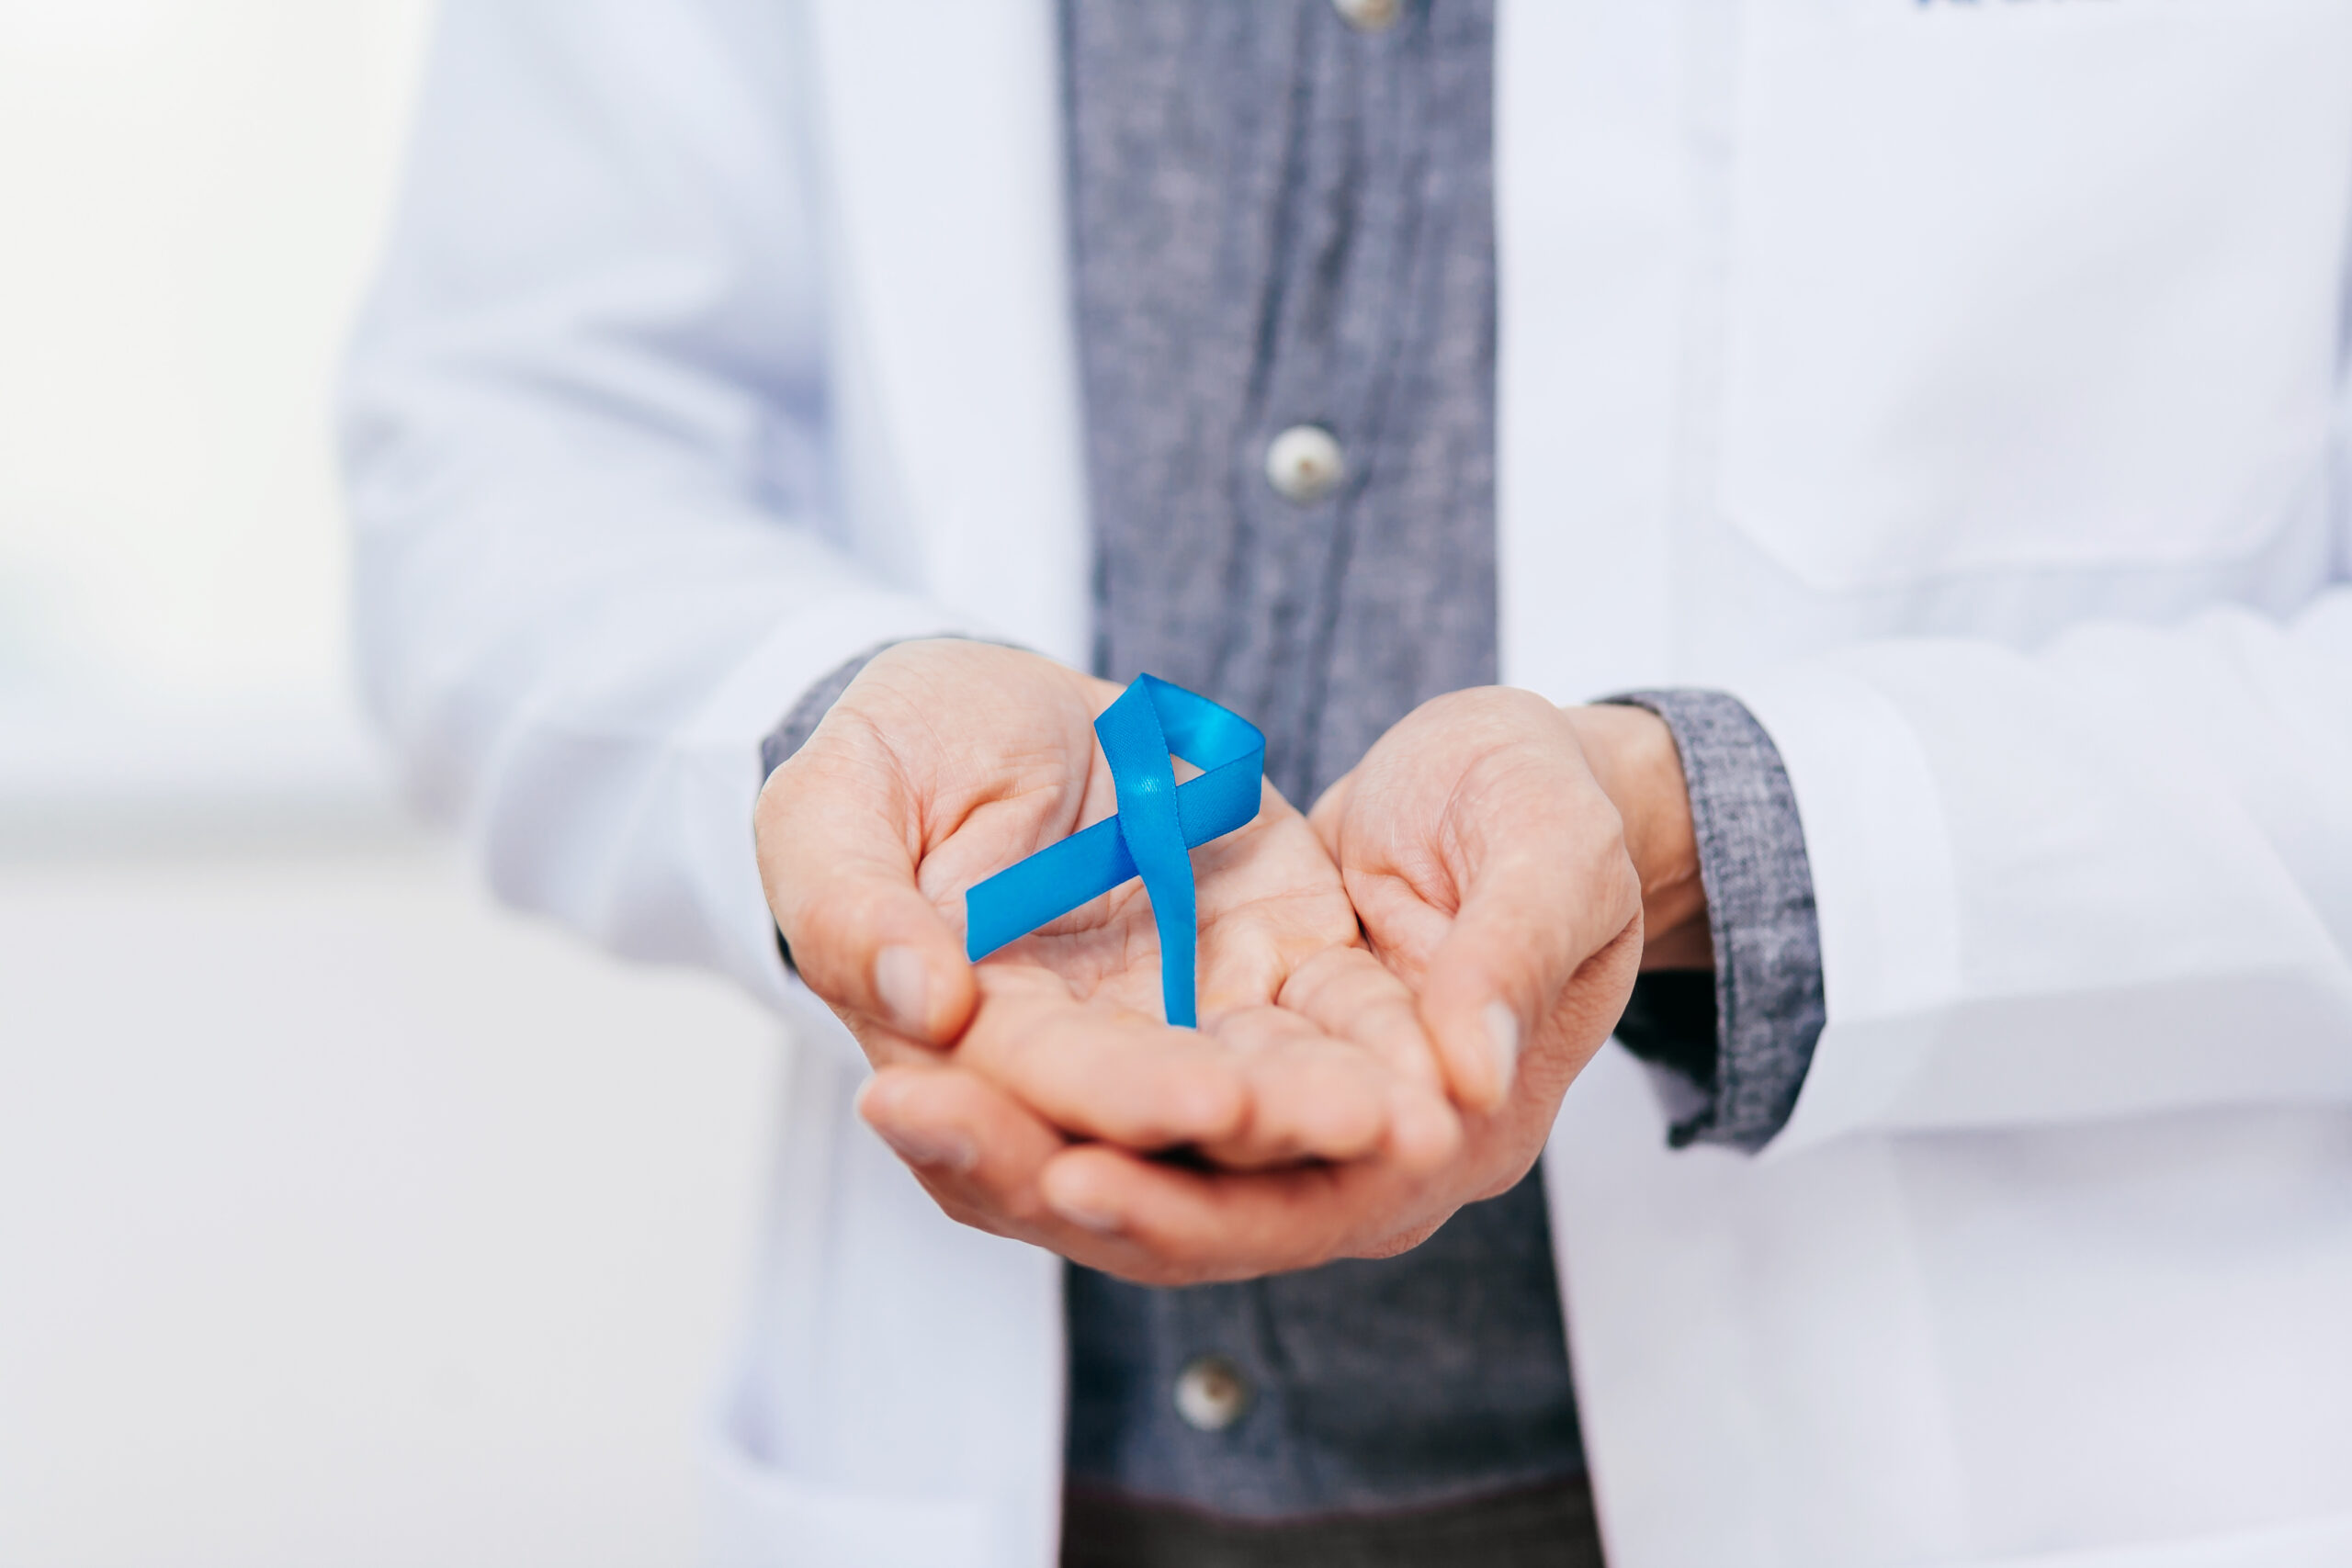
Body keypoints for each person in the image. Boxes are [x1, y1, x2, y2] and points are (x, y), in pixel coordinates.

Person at [340, 2, 2352, 1564]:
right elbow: (511, 458)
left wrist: (1712, 837)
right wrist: (816, 727)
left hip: (2036, 1447)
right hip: (1017, 1474)